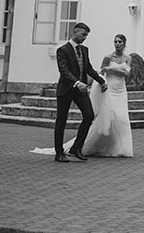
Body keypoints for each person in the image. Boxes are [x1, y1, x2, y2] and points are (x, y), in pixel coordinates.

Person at [53, 22, 106, 162]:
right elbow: (64, 70)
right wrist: (77, 82)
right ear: (75, 32)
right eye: (83, 34)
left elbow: (88, 68)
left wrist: (101, 81)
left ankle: (76, 148)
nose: (85, 37)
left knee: (89, 115)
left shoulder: (84, 50)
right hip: (66, 89)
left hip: (80, 91)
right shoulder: (62, 50)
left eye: (87, 35)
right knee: (61, 120)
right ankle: (59, 153)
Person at [79, 33, 134, 157]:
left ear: (124, 43)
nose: (117, 44)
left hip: (121, 90)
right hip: (110, 88)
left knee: (122, 117)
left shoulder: (128, 58)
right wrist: (107, 74)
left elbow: (127, 74)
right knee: (110, 115)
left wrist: (112, 69)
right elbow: (101, 72)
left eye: (120, 42)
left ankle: (121, 148)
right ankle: (97, 144)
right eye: (115, 42)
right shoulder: (108, 57)